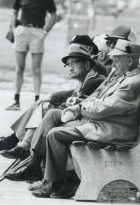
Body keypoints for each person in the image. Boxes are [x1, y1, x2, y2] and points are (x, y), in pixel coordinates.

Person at [31, 39, 140, 198]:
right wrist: (78, 104)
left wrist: (80, 109)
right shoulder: (123, 76)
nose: (113, 64)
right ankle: (51, 175)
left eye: (116, 60)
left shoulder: (132, 82)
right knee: (55, 119)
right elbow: (99, 98)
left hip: (114, 131)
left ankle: (54, 182)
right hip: (105, 124)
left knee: (56, 134)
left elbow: (106, 107)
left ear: (130, 60)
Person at [0, 35, 103, 154]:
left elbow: (81, 97)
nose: (71, 51)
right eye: (70, 47)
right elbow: (75, 91)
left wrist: (55, 103)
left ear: (89, 49)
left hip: (84, 119)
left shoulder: (95, 69)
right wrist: (53, 97)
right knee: (42, 103)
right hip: (79, 112)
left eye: (76, 48)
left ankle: (20, 144)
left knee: (45, 108)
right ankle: (15, 140)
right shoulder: (86, 69)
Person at [6, 0, 57, 110]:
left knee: (36, 68)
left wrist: (46, 31)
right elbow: (14, 11)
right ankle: (16, 100)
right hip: (22, 30)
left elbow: (54, 15)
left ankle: (36, 101)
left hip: (37, 32)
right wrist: (13, 28)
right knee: (19, 68)